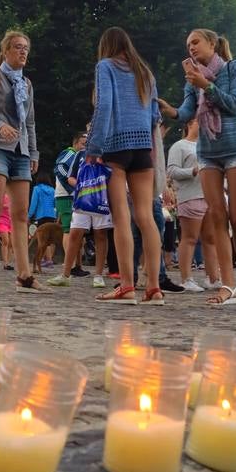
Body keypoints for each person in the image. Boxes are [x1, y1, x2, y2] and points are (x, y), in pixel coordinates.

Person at [159, 29, 236, 306]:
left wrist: (206, 84)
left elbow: (234, 105)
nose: (191, 48)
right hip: (209, 152)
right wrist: (172, 111)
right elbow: (188, 111)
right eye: (187, 44)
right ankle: (228, 286)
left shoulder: (233, 68)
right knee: (217, 217)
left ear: (212, 44)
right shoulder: (192, 79)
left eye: (195, 42)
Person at [85, 26, 163, 304]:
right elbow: (155, 116)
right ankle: (154, 288)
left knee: (121, 218)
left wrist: (93, 147)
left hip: (116, 149)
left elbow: (103, 105)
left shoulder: (105, 66)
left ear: (106, 46)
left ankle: (127, 286)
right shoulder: (146, 73)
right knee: (146, 216)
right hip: (143, 149)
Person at [0, 29, 49, 293]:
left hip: (21, 151)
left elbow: (30, 122)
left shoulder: (26, 85)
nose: (23, 51)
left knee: (20, 213)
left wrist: (34, 153)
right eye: (17, 47)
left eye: (26, 47)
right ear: (6, 51)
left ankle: (24, 275)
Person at [167, 119, 220, 291]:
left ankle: (213, 278)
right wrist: (193, 171)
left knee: (211, 239)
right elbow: (172, 171)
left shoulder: (210, 145)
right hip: (190, 197)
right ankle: (186, 278)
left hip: (210, 198)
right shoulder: (179, 146)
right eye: (199, 121)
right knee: (189, 239)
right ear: (190, 124)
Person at [48, 148, 109, 288]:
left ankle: (98, 275)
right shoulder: (80, 154)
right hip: (82, 199)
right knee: (75, 233)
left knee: (100, 234)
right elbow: (70, 177)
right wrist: (82, 187)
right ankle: (66, 274)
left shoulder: (107, 152)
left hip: (101, 199)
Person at [54, 133, 89, 276]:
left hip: (73, 195)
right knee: (69, 229)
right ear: (75, 144)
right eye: (82, 144)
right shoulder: (70, 153)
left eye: (86, 144)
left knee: (77, 230)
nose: (84, 147)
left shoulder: (81, 156)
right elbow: (60, 168)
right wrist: (71, 186)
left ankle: (76, 265)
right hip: (66, 195)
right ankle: (71, 265)